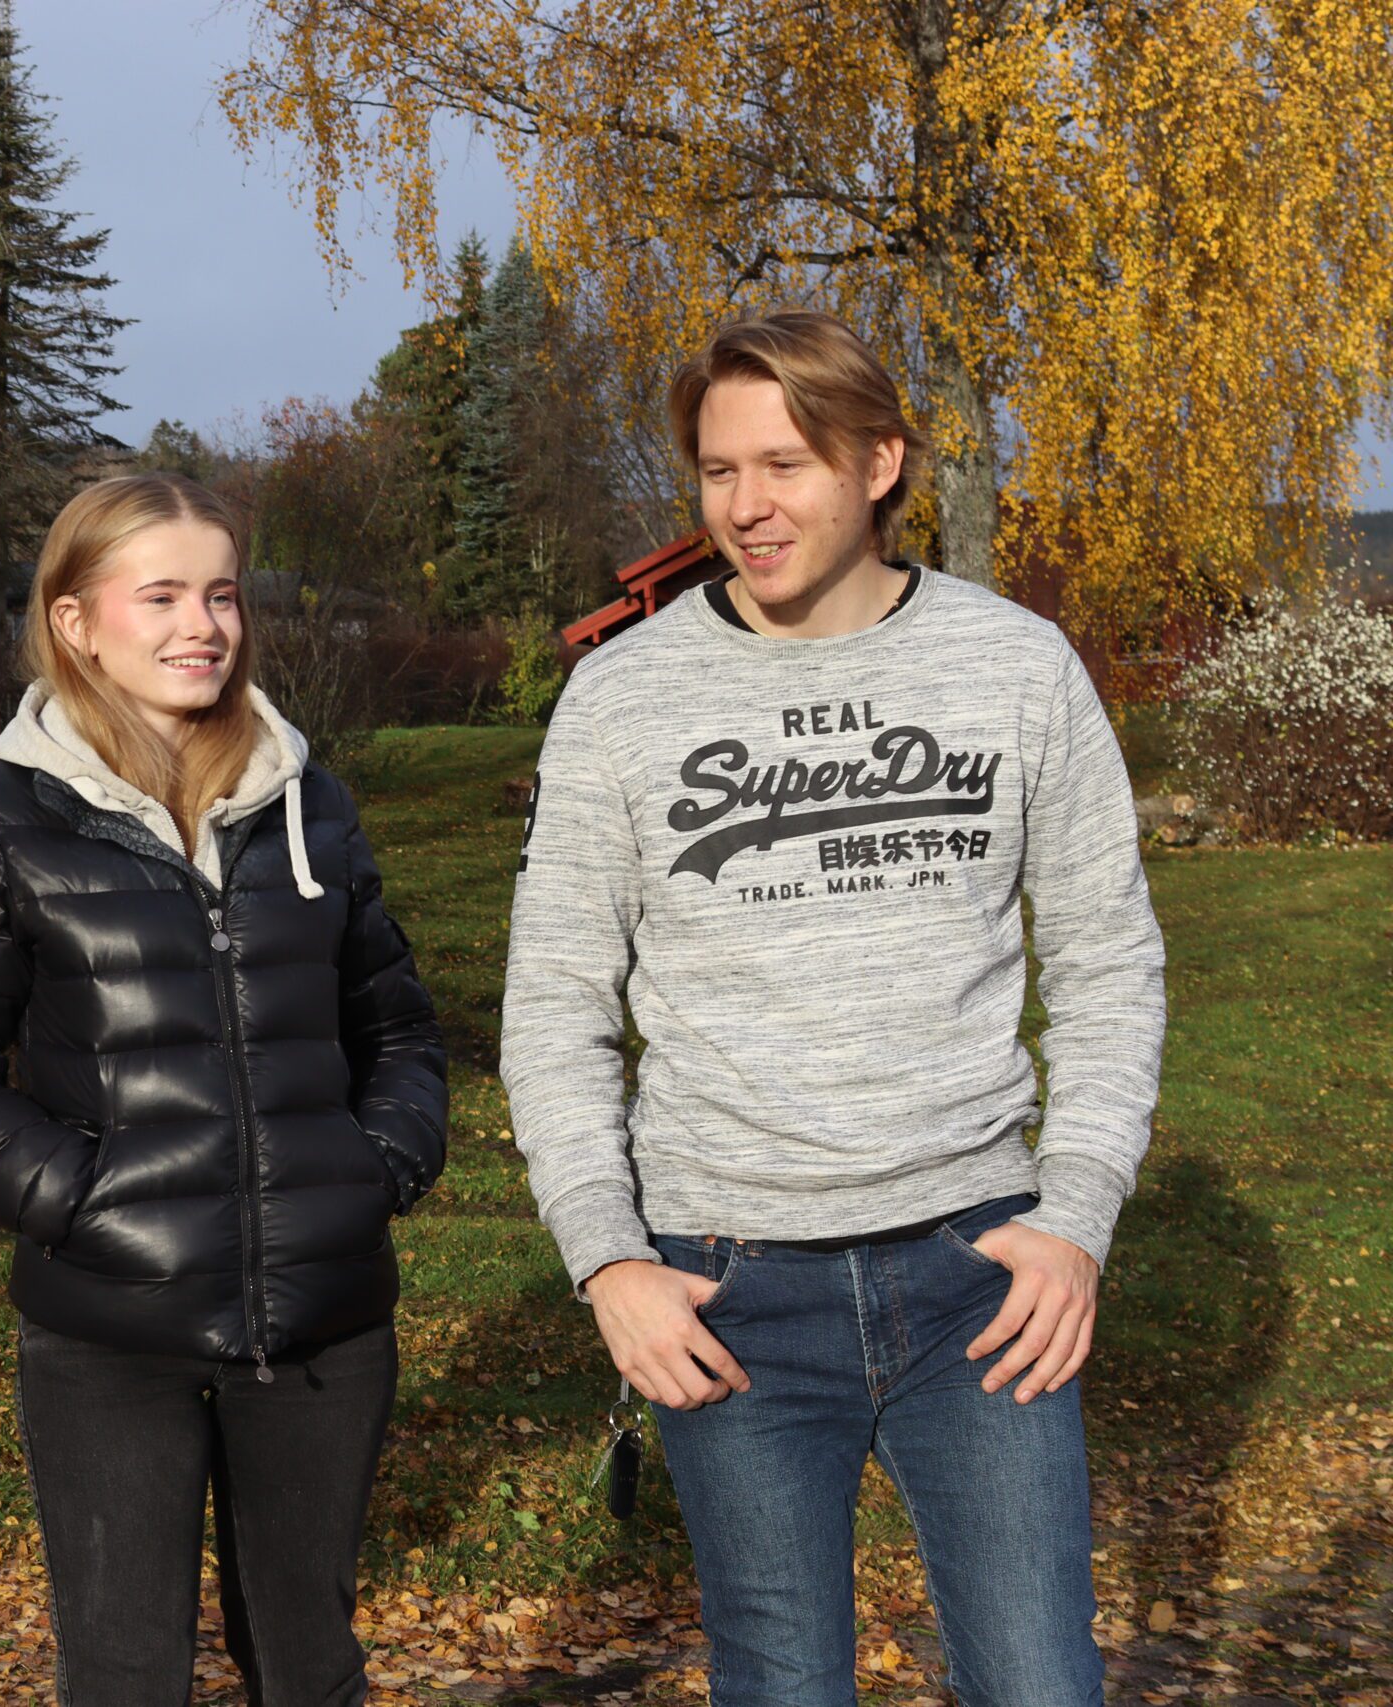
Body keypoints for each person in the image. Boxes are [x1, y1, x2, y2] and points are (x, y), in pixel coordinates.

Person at [501, 311, 1165, 1706]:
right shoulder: (624, 699)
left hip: (980, 1273)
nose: (746, 507)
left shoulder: (1018, 667)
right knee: (782, 1679)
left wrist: (1080, 1211)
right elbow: (555, 999)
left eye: (786, 464)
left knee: (1042, 1678)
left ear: (879, 462)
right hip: (728, 1284)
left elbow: (1108, 959)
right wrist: (607, 1256)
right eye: (718, 469)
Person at [0, 474, 447, 1705]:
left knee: (312, 1669)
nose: (205, 626)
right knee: (127, 1673)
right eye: (165, 596)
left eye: (223, 594)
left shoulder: (309, 804)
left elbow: (395, 1026)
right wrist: (93, 1206)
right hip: (106, 1333)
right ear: (77, 622)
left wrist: (370, 1174)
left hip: (322, 1325)